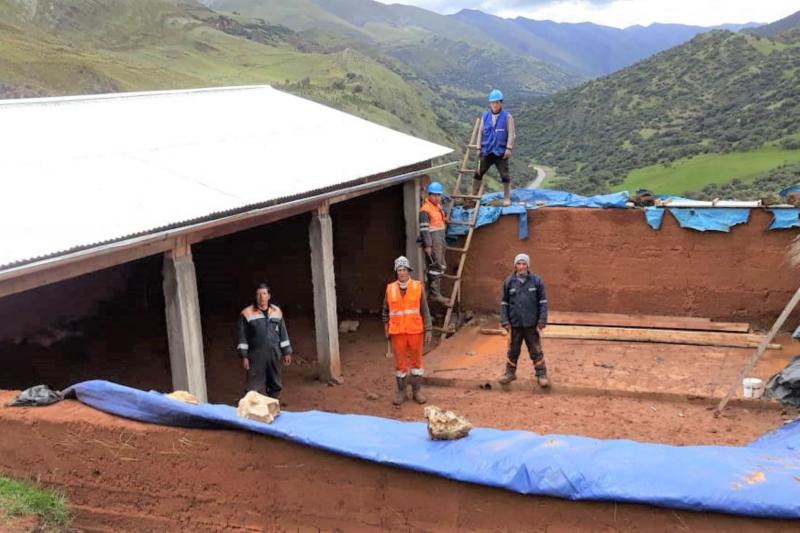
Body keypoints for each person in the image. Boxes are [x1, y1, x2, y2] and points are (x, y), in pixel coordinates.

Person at [382, 256, 433, 405]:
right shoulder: (390, 288)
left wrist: (428, 329)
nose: (402, 272)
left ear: (409, 270)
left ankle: (417, 391)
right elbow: (385, 311)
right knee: (400, 365)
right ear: (396, 272)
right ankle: (401, 392)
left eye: (404, 269)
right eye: (399, 270)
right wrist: (386, 328)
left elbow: (425, 310)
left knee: (416, 363)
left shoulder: (417, 287)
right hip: (397, 333)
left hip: (415, 331)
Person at [498, 253, 550, 387]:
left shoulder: (536, 281)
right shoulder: (509, 282)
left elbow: (543, 302)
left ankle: (541, 375)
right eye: (519, 264)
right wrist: (505, 321)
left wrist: (542, 320)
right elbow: (504, 303)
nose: (521, 266)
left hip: (531, 324)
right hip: (515, 324)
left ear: (528, 265)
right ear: (515, 265)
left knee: (535, 349)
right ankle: (510, 373)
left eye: (524, 264)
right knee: (513, 350)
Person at [236, 283, 292, 399]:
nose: (261, 297)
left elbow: (283, 333)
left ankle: (274, 407)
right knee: (253, 387)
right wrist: (244, 356)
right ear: (255, 296)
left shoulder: (277, 311)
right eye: (259, 294)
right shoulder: (246, 313)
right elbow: (242, 337)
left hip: (274, 354)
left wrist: (286, 352)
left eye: (264, 294)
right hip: (256, 355)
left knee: (275, 384)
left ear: (269, 296)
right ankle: (252, 411)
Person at [473, 89, 516, 207]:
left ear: (501, 103)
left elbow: (511, 133)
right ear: (490, 104)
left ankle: (506, 198)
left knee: (505, 175)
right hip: (486, 150)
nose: (495, 105)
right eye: (493, 102)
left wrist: (509, 148)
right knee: (478, 173)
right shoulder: (485, 116)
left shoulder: (507, 117)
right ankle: (474, 195)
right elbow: (480, 132)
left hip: (500, 151)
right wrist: (478, 147)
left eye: (497, 102)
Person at [419, 181, 450, 305]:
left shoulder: (437, 206)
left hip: (440, 237)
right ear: (429, 195)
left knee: (442, 265)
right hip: (433, 238)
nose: (437, 197)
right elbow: (424, 229)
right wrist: (428, 245)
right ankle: (435, 294)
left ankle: (436, 293)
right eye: (434, 195)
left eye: (439, 195)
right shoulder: (425, 210)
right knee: (437, 265)